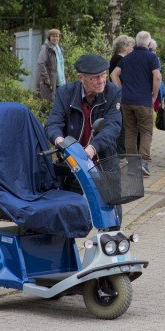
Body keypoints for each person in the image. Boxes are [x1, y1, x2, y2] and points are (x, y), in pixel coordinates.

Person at [45, 53, 123, 219]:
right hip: (73, 162)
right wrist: (61, 142)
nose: (101, 80)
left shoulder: (113, 92)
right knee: (68, 213)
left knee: (112, 214)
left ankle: (111, 234)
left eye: (103, 75)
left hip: (104, 160)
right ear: (81, 78)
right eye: (95, 77)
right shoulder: (65, 92)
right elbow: (53, 123)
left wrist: (92, 148)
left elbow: (113, 126)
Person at [111, 31, 162, 177]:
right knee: (146, 131)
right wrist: (154, 95)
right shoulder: (151, 57)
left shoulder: (127, 57)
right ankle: (144, 162)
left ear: (136, 41)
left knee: (130, 132)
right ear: (148, 42)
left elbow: (114, 74)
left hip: (126, 101)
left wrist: (121, 91)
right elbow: (157, 77)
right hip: (143, 101)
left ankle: (133, 166)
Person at [108, 35, 135, 154]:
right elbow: (114, 76)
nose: (133, 48)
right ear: (124, 47)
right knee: (122, 123)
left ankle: (120, 151)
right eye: (131, 46)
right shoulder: (119, 59)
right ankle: (120, 152)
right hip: (118, 95)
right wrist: (120, 92)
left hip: (116, 94)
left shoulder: (117, 57)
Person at [35, 28, 66, 102]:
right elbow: (41, 63)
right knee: (48, 102)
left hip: (58, 80)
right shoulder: (46, 48)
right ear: (49, 37)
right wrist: (46, 77)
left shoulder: (59, 48)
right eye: (53, 36)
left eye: (57, 36)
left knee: (58, 101)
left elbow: (60, 65)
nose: (55, 38)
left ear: (59, 38)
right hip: (49, 80)